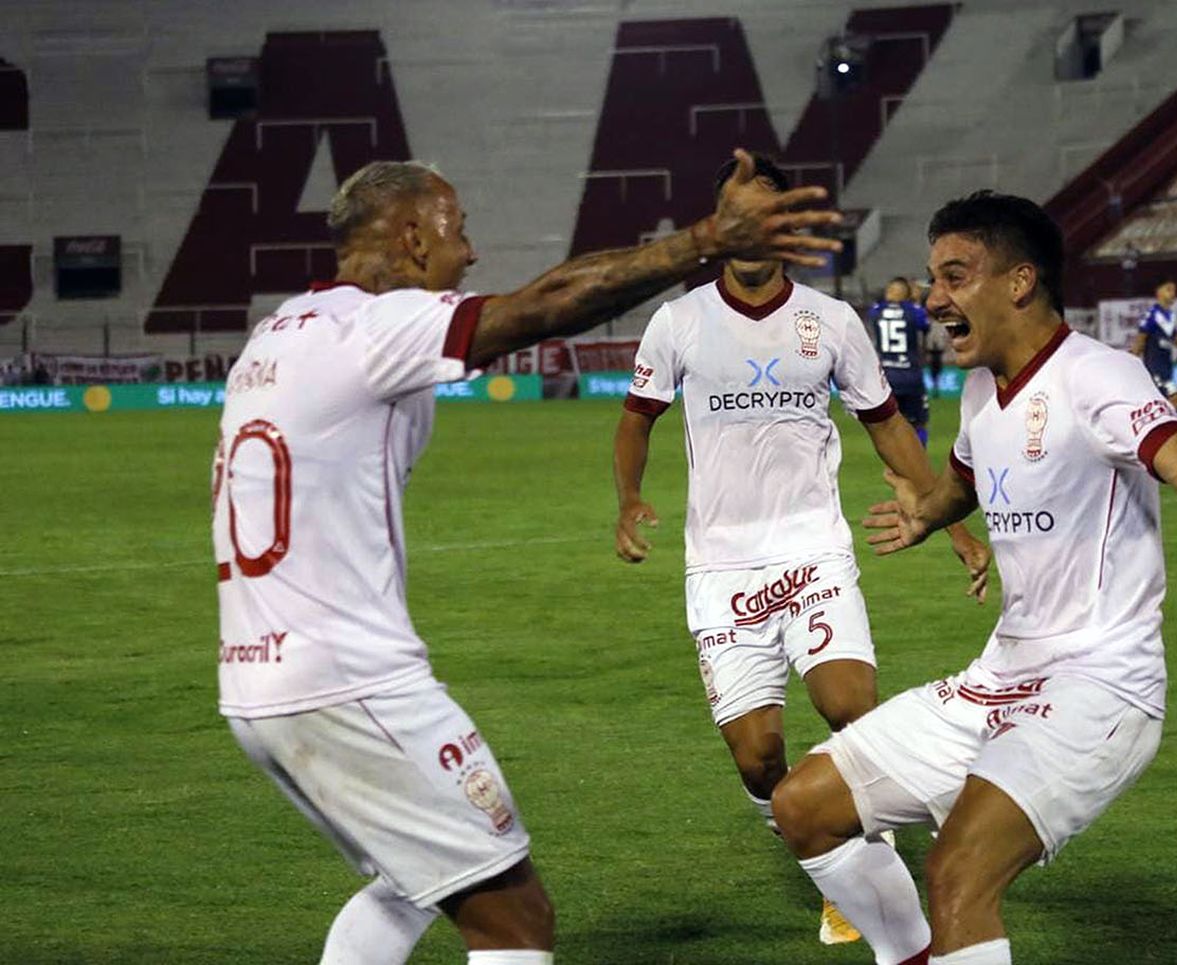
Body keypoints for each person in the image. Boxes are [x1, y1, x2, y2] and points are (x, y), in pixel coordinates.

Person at [212, 151, 845, 965]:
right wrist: (705, 240)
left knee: (412, 881)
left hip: (257, 682)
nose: (467, 254)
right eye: (457, 232)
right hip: (351, 678)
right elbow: (542, 307)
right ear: (410, 237)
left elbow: (546, 286)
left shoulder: (279, 335)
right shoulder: (370, 328)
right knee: (515, 918)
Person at [769, 191, 1177, 965]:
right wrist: (928, 516)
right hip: (1000, 677)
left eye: (955, 276)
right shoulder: (978, 393)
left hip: (1099, 687)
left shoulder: (1096, 374)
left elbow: (1172, 448)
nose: (935, 298)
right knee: (803, 806)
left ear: (1019, 281)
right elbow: (964, 479)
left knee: (959, 872)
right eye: (932, 278)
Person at [613, 154, 992, 949]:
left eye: (763, 213)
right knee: (759, 758)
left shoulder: (833, 321)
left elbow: (887, 423)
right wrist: (629, 500)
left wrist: (949, 520)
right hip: (720, 567)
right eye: (734, 213)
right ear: (719, 226)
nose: (748, 230)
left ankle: (865, 872)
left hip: (814, 553)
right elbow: (637, 417)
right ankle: (831, 854)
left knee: (850, 706)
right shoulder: (679, 322)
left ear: (786, 228)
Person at [869, 277, 933, 445]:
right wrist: (916, 301)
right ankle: (917, 464)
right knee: (918, 423)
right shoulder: (914, 311)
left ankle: (893, 468)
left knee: (889, 425)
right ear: (907, 295)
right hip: (911, 375)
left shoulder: (876, 311)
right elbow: (925, 326)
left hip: (886, 377)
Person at [1128, 279, 1177, 412]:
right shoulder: (1152, 314)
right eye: (1169, 289)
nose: (1173, 293)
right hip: (1155, 368)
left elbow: (1176, 339)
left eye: (1174, 290)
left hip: (1166, 369)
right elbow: (1141, 338)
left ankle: (1170, 428)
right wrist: (1131, 360)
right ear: (1158, 292)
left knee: (1167, 403)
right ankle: (1176, 428)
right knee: (1175, 398)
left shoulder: (1170, 316)